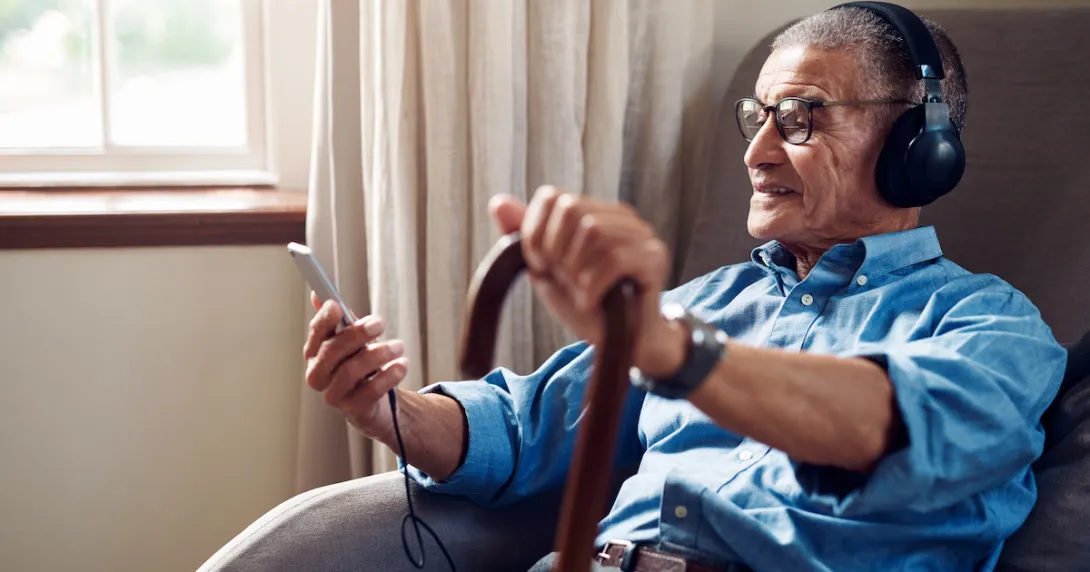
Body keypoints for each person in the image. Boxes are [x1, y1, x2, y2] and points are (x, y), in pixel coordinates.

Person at [301, 4, 1066, 571]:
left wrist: (677, 355)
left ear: (918, 147)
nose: (758, 153)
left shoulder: (991, 328)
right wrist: (385, 407)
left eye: (799, 117)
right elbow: (522, 430)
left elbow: (885, 430)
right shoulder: (702, 304)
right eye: (756, 118)